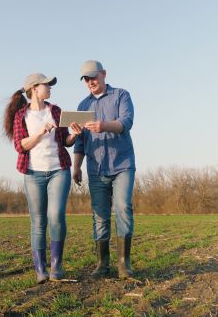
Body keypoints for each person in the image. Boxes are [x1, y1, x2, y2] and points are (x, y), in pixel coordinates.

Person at [3, 72, 81, 283]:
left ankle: (56, 266)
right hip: (33, 173)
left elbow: (65, 140)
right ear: (34, 89)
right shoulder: (21, 115)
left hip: (59, 169)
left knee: (56, 215)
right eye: (46, 84)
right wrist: (40, 132)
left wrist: (74, 134)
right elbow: (20, 146)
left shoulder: (55, 111)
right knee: (38, 221)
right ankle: (40, 270)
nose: (50, 87)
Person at [72, 60, 136, 279]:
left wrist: (104, 125)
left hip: (122, 165)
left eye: (93, 77)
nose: (91, 82)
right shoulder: (82, 106)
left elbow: (126, 122)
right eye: (86, 79)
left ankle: (124, 264)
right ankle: (102, 264)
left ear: (104, 74)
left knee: (122, 208)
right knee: (100, 216)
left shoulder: (121, 95)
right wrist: (76, 167)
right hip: (96, 168)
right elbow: (79, 142)